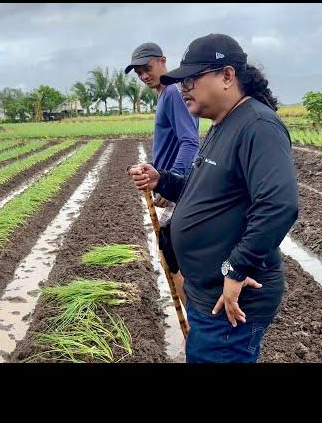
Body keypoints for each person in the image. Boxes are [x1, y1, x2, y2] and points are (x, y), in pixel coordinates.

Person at [128, 34, 298, 363]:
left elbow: (279, 205)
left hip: (231, 300)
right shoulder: (224, 123)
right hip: (208, 292)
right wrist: (162, 180)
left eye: (192, 78)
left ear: (227, 76)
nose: (184, 87)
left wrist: (235, 270)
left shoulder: (258, 126)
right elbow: (205, 190)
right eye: (181, 81)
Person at [125, 42, 199, 305]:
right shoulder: (164, 94)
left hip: (177, 186)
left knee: (172, 260)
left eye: (148, 68)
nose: (144, 76)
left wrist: (170, 183)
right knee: (171, 258)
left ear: (163, 61)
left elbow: (190, 141)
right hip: (169, 184)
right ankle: (196, 324)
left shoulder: (172, 94)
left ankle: (196, 322)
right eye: (139, 73)